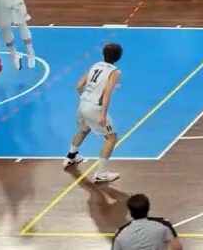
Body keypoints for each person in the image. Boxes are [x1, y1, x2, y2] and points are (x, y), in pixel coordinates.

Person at [63, 43, 123, 183]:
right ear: (119, 57)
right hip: (95, 108)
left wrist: (84, 99)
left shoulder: (94, 65)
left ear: (103, 54)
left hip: (83, 103)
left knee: (84, 129)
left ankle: (71, 156)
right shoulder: (115, 72)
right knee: (111, 137)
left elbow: (79, 86)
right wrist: (103, 115)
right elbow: (107, 94)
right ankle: (101, 174)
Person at [112, 194, 182, 250]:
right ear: (148, 209)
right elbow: (177, 248)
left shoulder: (121, 234)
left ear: (130, 212)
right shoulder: (163, 226)